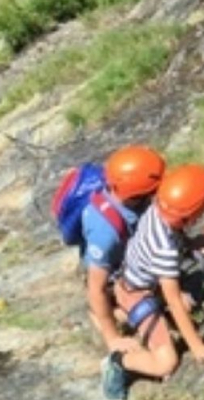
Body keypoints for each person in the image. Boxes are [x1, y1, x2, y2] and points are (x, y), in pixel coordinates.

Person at [100, 163, 204, 399]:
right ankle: (118, 363)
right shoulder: (164, 250)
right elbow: (174, 299)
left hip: (136, 281)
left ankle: (118, 313)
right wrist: (197, 347)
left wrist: (191, 245)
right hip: (137, 293)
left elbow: (178, 229)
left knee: (187, 307)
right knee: (166, 362)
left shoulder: (158, 207)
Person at [80, 146, 166, 358]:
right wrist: (112, 339)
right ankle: (107, 315)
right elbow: (95, 288)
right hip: (113, 275)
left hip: (128, 256)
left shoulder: (130, 189)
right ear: (137, 195)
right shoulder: (105, 233)